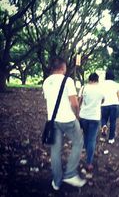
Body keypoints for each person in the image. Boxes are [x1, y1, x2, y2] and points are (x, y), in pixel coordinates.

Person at [43, 57, 86, 190]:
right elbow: (74, 103)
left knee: (55, 150)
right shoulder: (68, 81)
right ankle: (70, 174)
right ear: (63, 68)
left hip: (52, 120)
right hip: (68, 119)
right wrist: (78, 114)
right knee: (78, 142)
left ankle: (56, 181)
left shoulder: (46, 82)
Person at [79, 73, 105, 176]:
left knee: (86, 135)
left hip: (84, 116)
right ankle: (89, 163)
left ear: (89, 80)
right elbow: (103, 100)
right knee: (92, 139)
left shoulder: (83, 87)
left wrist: (77, 113)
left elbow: (79, 100)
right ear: (97, 80)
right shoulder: (101, 89)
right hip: (94, 117)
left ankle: (86, 151)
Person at [100, 70, 119, 144]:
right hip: (114, 104)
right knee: (113, 121)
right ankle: (111, 138)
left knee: (104, 119)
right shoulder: (116, 84)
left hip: (104, 105)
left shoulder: (101, 84)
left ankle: (104, 128)